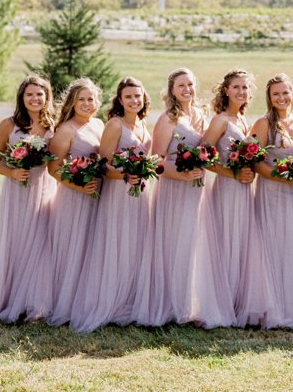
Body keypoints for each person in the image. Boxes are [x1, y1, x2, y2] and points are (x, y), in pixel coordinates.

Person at [194, 69, 278, 329]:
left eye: (245, 88)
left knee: (241, 240)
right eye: (236, 87)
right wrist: (231, 172)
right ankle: (222, 304)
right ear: (226, 90)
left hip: (243, 191)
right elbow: (202, 155)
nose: (241, 92)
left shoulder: (243, 120)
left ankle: (237, 301)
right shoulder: (220, 120)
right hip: (227, 189)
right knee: (227, 240)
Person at [70, 76, 153, 332]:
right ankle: (110, 304)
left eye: (138, 96)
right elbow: (103, 165)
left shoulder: (142, 123)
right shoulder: (115, 125)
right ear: (120, 100)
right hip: (117, 193)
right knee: (116, 245)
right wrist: (126, 175)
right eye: (128, 96)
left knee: (135, 246)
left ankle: (129, 302)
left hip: (138, 193)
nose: (134, 100)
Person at [0, 74, 57, 324]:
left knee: (42, 246)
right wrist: (12, 171)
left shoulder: (53, 125)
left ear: (47, 97)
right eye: (30, 94)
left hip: (45, 190)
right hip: (16, 191)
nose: (35, 98)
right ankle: (11, 301)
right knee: (17, 244)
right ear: (22, 98)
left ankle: (36, 304)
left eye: (40, 94)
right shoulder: (9, 124)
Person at [132, 68, 207, 326]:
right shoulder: (167, 119)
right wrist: (182, 174)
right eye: (181, 85)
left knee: (194, 244)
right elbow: (157, 160)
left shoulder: (201, 115)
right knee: (175, 244)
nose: (187, 89)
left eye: (190, 84)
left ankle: (190, 303)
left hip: (198, 189)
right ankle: (171, 305)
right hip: (175, 189)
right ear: (172, 90)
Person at [252, 73, 293, 329]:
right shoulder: (263, 123)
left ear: (292, 93)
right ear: (269, 97)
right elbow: (255, 162)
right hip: (272, 193)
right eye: (276, 94)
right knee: (274, 246)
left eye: (285, 92)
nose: (281, 98)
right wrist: (285, 178)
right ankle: (274, 307)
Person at [46, 77, 105, 327]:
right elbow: (53, 167)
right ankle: (65, 305)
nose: (86, 103)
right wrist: (77, 185)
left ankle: (88, 301)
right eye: (81, 99)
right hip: (73, 197)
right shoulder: (66, 129)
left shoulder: (100, 124)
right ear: (71, 102)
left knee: (92, 249)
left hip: (99, 195)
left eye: (90, 99)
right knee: (73, 248)